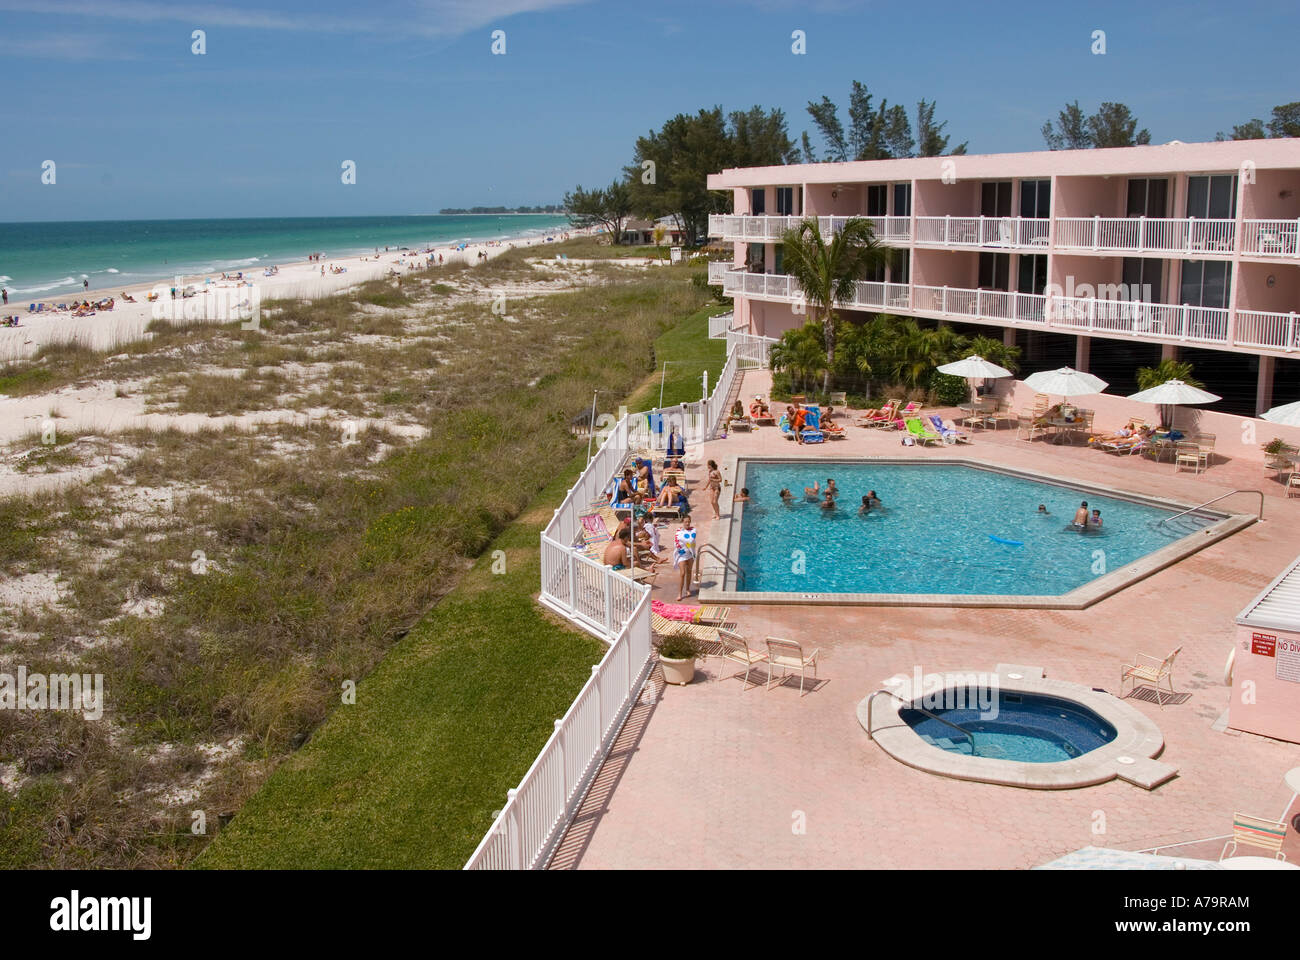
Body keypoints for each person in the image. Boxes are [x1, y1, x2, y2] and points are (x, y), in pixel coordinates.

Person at [673, 517, 697, 601]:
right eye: (686, 522)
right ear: (682, 522)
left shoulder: (693, 530)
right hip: (681, 554)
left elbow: (690, 540)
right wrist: (685, 541)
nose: (687, 523)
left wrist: (684, 540)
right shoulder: (678, 532)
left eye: (689, 522)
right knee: (682, 573)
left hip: (690, 554)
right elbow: (678, 541)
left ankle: (687, 589)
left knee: (689, 571)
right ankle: (679, 593)